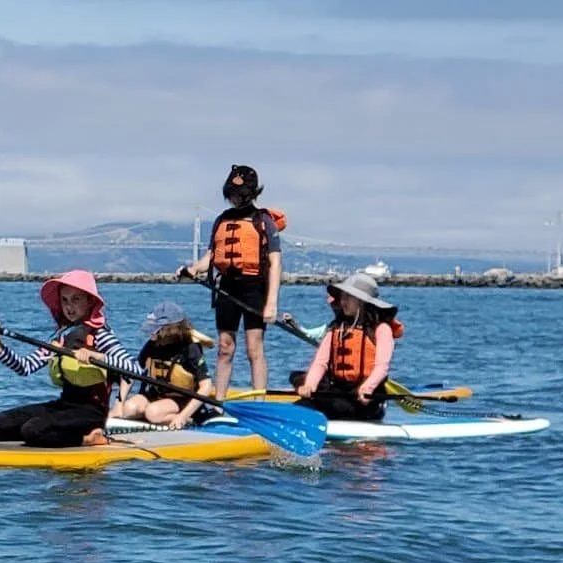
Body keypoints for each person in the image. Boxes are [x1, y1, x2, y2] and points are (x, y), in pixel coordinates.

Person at [0, 270, 139, 448]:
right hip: (65, 406)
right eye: (65, 300)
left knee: (33, 430)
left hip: (91, 413)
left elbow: (133, 368)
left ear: (90, 302)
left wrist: (96, 355)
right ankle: (50, 434)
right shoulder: (61, 337)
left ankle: (89, 438)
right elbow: (25, 367)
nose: (69, 306)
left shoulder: (101, 335)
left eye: (76, 299)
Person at [179, 164, 285, 397]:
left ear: (251, 194)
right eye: (232, 194)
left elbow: (275, 263)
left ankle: (259, 400)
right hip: (227, 287)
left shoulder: (263, 221)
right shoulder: (222, 220)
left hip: (255, 288)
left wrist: (271, 304)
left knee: (254, 348)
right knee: (225, 347)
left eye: (239, 194)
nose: (235, 199)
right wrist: (192, 269)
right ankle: (219, 401)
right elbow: (211, 256)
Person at [294, 273, 403, 421]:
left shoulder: (381, 329)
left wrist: (367, 388)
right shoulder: (336, 328)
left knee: (332, 405)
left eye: (348, 297)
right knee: (299, 385)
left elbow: (382, 367)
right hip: (339, 391)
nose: (343, 301)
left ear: (362, 301)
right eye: (342, 297)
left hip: (366, 399)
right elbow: (320, 363)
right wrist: (309, 386)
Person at [112, 300, 215, 427]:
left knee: (153, 413)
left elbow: (206, 386)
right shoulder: (152, 344)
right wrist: (119, 403)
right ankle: (154, 417)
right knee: (128, 409)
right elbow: (133, 372)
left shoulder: (190, 348)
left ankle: (188, 420)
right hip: (157, 395)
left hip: (182, 400)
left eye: (158, 329)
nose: (153, 334)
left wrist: (183, 416)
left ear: (172, 329)